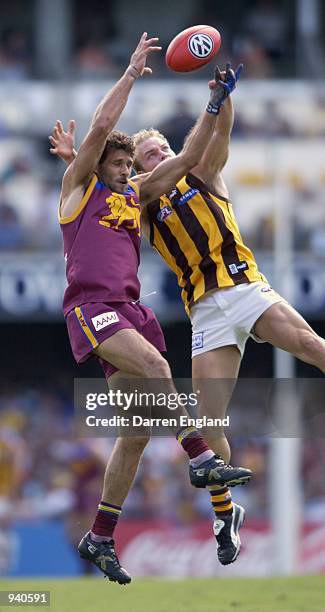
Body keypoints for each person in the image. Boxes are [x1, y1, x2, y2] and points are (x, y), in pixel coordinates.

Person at [51, 36, 251, 583]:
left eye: (126, 164)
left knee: (135, 435)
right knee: (161, 371)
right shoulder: (77, 194)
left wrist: (213, 106)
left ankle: (100, 536)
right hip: (93, 308)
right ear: (97, 164)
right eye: (116, 163)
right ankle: (200, 457)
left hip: (132, 311)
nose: (123, 170)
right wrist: (133, 73)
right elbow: (97, 130)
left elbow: (188, 158)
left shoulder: (132, 197)